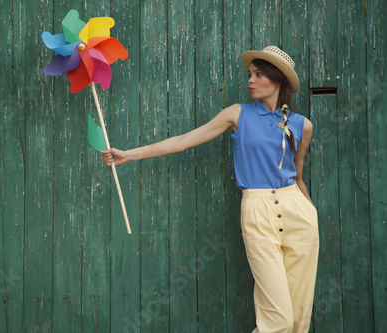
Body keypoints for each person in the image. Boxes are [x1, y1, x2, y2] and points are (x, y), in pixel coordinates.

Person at [101, 46, 319, 333]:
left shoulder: (302, 126)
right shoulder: (237, 114)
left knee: (298, 319)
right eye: (250, 74)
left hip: (298, 214)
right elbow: (185, 140)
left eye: (258, 75)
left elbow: (298, 175)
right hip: (258, 210)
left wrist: (309, 212)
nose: (250, 80)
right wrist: (130, 154)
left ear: (277, 80)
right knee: (277, 320)